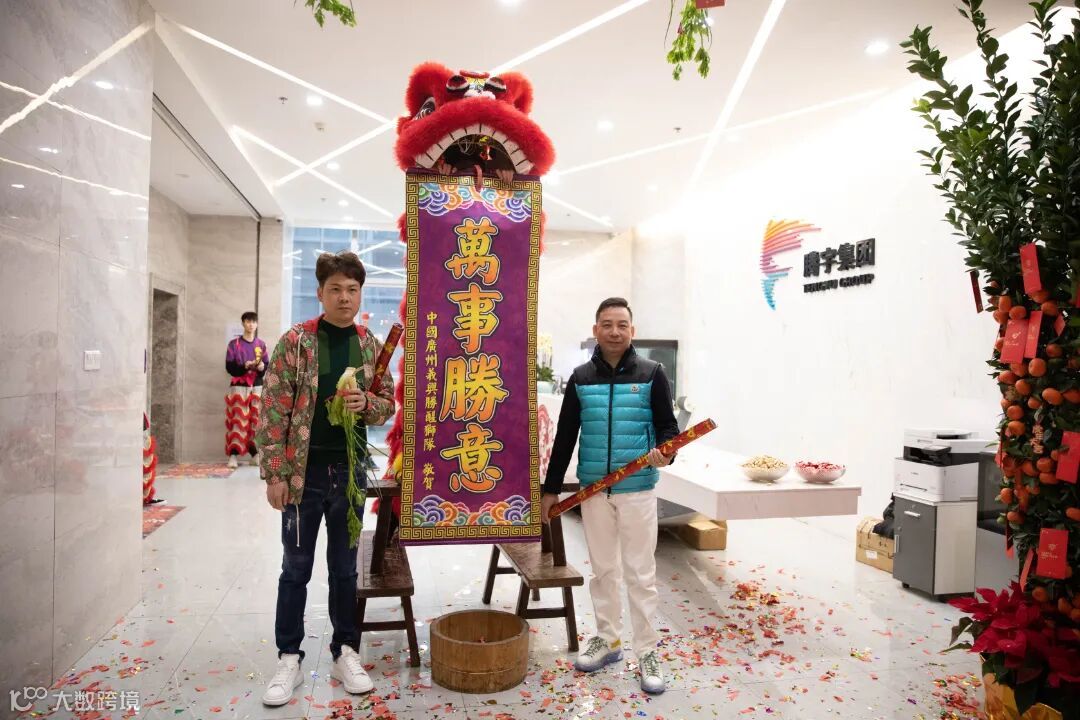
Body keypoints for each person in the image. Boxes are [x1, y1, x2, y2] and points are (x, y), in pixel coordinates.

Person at [255, 252, 395, 706]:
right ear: (320, 293)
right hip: (303, 474)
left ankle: (345, 650)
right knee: (295, 567)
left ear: (360, 294)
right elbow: (273, 409)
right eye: (335, 289)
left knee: (344, 567)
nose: (344, 297)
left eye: (352, 290)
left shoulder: (370, 346)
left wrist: (367, 406)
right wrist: (275, 473)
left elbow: (386, 402)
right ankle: (288, 656)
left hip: (349, 473)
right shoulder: (296, 343)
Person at [540, 297, 679, 695]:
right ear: (595, 330)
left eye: (622, 325)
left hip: (637, 490)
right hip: (594, 491)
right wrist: (551, 490)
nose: (614, 332)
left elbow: (668, 429)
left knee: (640, 574)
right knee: (603, 571)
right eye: (607, 324)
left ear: (632, 331)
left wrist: (666, 453)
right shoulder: (581, 378)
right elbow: (566, 436)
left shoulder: (652, 374)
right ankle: (608, 639)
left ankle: (647, 650)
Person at [225, 311, 269, 468]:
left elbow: (266, 366)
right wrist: (244, 366)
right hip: (239, 386)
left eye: (254, 322)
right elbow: (229, 367)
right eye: (248, 321)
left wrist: (262, 367)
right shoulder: (234, 344)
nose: (251, 324)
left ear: (257, 324)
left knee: (256, 421)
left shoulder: (261, 345)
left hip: (257, 386)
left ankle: (255, 453)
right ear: (243, 323)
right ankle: (233, 455)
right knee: (238, 420)